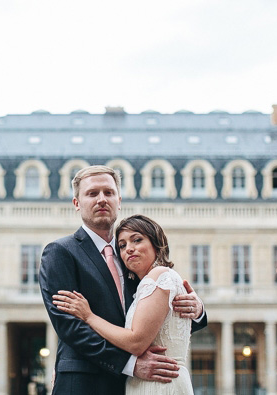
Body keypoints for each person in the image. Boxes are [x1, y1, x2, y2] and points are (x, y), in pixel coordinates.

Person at [39, 165, 206, 395]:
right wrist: (131, 365)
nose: (101, 199)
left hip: (135, 385)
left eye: (108, 192)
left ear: (119, 200)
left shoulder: (133, 257)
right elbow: (70, 326)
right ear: (76, 203)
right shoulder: (60, 252)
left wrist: (196, 311)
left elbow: (158, 321)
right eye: (92, 193)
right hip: (84, 383)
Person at [55, 214, 196, 394]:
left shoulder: (159, 276)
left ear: (156, 243)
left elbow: (136, 342)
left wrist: (89, 316)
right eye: (122, 245)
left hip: (158, 383)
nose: (129, 249)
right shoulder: (146, 283)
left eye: (137, 240)